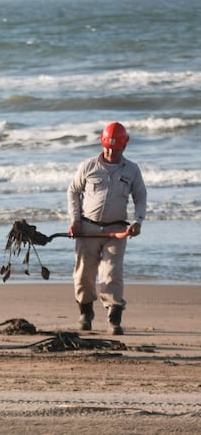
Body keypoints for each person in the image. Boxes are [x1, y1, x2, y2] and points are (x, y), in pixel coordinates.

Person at [67, 122, 147, 335]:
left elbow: (140, 196)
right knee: (83, 274)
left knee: (111, 274)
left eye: (115, 148)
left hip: (117, 230)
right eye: (107, 147)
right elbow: (73, 191)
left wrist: (137, 221)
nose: (110, 151)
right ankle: (85, 313)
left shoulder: (132, 170)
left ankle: (114, 317)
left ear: (124, 146)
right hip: (87, 228)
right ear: (102, 144)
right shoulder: (88, 166)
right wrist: (75, 219)